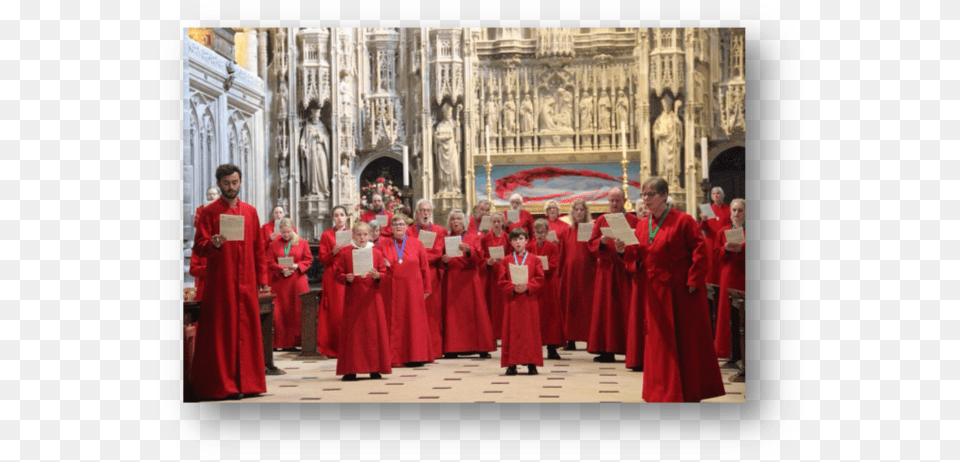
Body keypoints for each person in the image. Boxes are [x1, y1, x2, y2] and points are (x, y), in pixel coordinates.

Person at [619, 176, 725, 402]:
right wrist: (621, 251)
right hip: (654, 293)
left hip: (681, 291)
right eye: (644, 195)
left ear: (664, 196)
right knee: (659, 345)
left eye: (651, 195)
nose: (646, 199)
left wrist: (693, 280)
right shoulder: (641, 225)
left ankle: (687, 390)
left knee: (684, 341)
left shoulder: (683, 221)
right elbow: (636, 256)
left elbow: (700, 251)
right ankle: (662, 391)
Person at [190, 163, 268, 400]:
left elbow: (258, 249)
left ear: (240, 182)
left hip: (247, 282)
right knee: (223, 332)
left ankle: (249, 383)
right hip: (221, 283)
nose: (231, 187)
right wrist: (212, 242)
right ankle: (226, 385)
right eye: (226, 183)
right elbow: (199, 247)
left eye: (235, 183)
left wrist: (262, 279)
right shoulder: (209, 212)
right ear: (219, 183)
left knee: (248, 329)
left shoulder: (250, 211)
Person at [587, 187, 639, 362]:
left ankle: (628, 348)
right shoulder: (601, 220)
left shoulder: (633, 220)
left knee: (626, 308)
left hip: (625, 270)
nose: (614, 204)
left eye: (617, 200)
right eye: (611, 200)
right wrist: (601, 241)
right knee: (606, 309)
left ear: (624, 201)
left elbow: (639, 243)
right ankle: (606, 349)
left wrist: (626, 247)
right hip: (606, 271)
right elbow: (591, 243)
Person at [333, 222, 391, 381]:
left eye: (365, 234)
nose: (362, 238)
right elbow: (337, 274)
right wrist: (346, 278)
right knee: (353, 335)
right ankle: (351, 369)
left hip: (372, 298)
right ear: (353, 236)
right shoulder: (345, 254)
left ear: (370, 236)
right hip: (354, 298)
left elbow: (385, 274)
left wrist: (378, 276)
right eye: (358, 234)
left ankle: (375, 368)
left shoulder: (377, 253)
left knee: (373, 333)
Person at [378, 213, 433, 367]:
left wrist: (427, 287)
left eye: (401, 224)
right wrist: (383, 264)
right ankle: (394, 356)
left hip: (413, 290)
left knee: (413, 321)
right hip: (391, 288)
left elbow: (424, 267)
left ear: (407, 227)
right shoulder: (383, 244)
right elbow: (378, 264)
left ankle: (416, 356)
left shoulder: (417, 243)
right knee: (395, 321)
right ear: (390, 228)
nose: (398, 227)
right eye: (395, 224)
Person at [441, 209, 495, 359]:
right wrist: (444, 261)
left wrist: (469, 250)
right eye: (453, 219)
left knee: (473, 312)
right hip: (452, 278)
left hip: (468, 279)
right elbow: (440, 258)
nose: (456, 221)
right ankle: (453, 347)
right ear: (449, 223)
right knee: (453, 315)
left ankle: (481, 347)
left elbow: (480, 256)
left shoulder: (473, 238)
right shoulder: (445, 238)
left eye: (458, 219)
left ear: (464, 222)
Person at [498, 227, 545, 376]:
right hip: (512, 301)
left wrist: (528, 286)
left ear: (526, 241)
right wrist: (512, 287)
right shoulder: (506, 260)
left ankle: (532, 363)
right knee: (512, 333)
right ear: (510, 242)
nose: (518, 242)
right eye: (515, 239)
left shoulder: (534, 259)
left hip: (529, 301)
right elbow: (501, 280)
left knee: (530, 333)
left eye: (521, 239)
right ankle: (511, 364)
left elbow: (540, 278)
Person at [407, 199, 447, 359]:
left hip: (431, 276)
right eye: (422, 211)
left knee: (432, 314)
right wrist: (422, 255)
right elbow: (408, 252)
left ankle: (434, 350)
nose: (425, 214)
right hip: (413, 275)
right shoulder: (409, 231)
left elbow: (437, 252)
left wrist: (420, 255)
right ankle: (417, 349)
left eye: (428, 211)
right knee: (415, 313)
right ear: (416, 214)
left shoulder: (439, 230)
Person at [266, 218, 313, 351]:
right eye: (284, 232)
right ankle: (280, 343)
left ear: (293, 229)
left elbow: (308, 259)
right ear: (280, 231)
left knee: (297, 311)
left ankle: (296, 342)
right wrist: (281, 269)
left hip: (297, 280)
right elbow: (269, 261)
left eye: (288, 232)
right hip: (280, 282)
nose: (286, 235)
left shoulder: (302, 242)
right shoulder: (274, 243)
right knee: (280, 313)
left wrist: (297, 265)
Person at [558, 199, 596, 351]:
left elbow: (593, 249)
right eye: (576, 210)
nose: (579, 212)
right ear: (572, 212)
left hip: (587, 273)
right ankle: (570, 339)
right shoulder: (568, 230)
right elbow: (563, 252)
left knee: (587, 306)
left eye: (582, 210)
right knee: (571, 305)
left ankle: (589, 339)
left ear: (586, 212)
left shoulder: (590, 229)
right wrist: (561, 272)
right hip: (570, 274)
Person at [317, 205, 350, 357]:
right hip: (332, 276)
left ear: (347, 217)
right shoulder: (327, 235)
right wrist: (333, 252)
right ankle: (332, 347)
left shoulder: (352, 233)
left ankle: (350, 346)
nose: (339, 218)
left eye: (342, 215)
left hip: (349, 274)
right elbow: (322, 259)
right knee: (335, 311)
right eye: (336, 215)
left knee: (349, 310)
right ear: (332, 218)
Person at [713, 198, 745, 359]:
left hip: (744, 275)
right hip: (728, 274)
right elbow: (716, 255)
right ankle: (727, 350)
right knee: (726, 313)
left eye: (740, 210)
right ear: (730, 212)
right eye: (734, 210)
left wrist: (742, 249)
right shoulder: (722, 231)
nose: (737, 213)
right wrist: (725, 249)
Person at [527, 219, 563, 360]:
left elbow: (554, 264)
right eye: (537, 232)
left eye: (542, 232)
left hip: (548, 285)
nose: (539, 235)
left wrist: (539, 266)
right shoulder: (530, 246)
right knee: (535, 316)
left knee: (550, 316)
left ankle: (551, 347)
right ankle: (534, 347)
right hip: (535, 285)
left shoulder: (552, 247)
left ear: (547, 232)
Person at [623, 203, 650, 372]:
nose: (643, 211)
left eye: (646, 208)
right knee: (638, 319)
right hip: (640, 278)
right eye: (640, 209)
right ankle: (637, 358)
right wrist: (622, 252)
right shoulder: (639, 226)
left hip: (655, 279)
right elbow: (632, 253)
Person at [480, 212, 510, 340]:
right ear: (490, 223)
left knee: (504, 306)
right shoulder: (484, 239)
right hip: (491, 276)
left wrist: (505, 261)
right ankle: (492, 334)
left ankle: (504, 333)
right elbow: (481, 257)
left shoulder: (508, 238)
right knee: (491, 306)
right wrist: (487, 261)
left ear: (503, 223)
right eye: (494, 222)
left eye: (499, 221)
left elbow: (513, 255)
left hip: (505, 275)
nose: (497, 224)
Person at [699, 186, 732, 286]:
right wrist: (703, 221)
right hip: (711, 241)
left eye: (718, 193)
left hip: (723, 242)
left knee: (722, 265)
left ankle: (723, 284)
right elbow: (702, 228)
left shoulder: (728, 209)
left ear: (722, 195)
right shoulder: (708, 210)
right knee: (711, 265)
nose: (716, 195)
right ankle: (710, 287)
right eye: (713, 194)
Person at [435, 103, 461, 193]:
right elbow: (436, 137)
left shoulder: (454, 123)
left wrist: (457, 125)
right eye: (447, 114)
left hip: (452, 149)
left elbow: (458, 137)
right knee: (443, 170)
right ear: (444, 114)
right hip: (442, 150)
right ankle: (444, 187)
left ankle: (454, 186)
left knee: (454, 166)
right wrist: (439, 138)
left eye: (450, 114)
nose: (449, 115)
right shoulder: (440, 125)